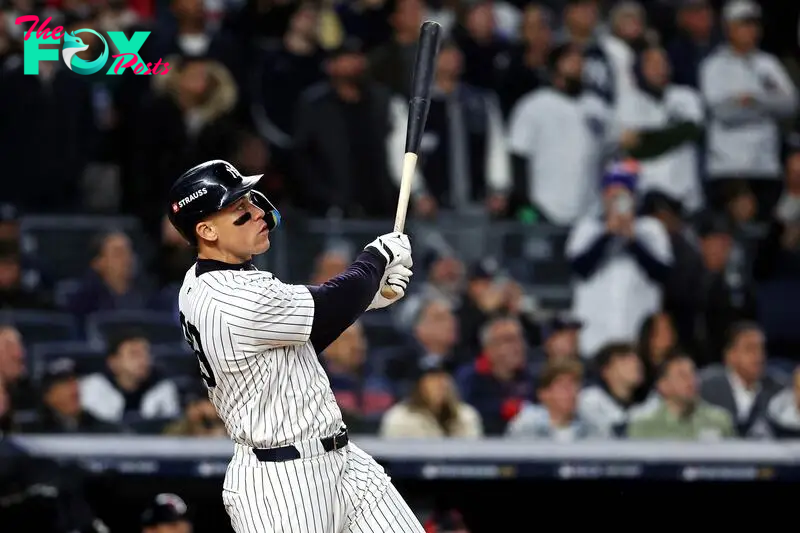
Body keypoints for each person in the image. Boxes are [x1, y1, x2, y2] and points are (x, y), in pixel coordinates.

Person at [166, 160, 422, 533]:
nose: (257, 213)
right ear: (206, 230)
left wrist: (371, 295)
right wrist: (377, 257)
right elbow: (324, 309)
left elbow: (302, 333)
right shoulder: (229, 297)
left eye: (251, 201)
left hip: (344, 462)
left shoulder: (208, 277)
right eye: (240, 210)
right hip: (281, 483)